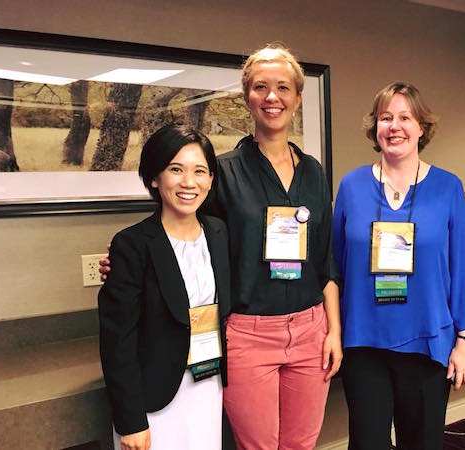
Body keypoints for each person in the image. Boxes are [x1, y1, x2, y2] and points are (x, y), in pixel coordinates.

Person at [101, 43, 342, 450]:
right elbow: (178, 227)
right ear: (247, 95)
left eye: (283, 88)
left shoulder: (314, 172)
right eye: (261, 87)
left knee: (303, 445)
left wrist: (334, 329)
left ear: (298, 97)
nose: (272, 97)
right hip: (247, 334)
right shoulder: (223, 172)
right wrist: (128, 264)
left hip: (310, 330)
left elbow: (325, 261)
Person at [332, 81, 465, 450]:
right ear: (375, 127)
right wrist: (332, 331)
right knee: (366, 443)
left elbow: (462, 269)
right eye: (386, 118)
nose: (394, 126)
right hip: (364, 343)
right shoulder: (351, 186)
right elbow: (334, 267)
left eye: (404, 117)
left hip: (428, 342)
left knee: (422, 443)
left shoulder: (448, 188)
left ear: (421, 128)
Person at [98, 125, 231, 450]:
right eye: (176, 169)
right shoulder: (132, 245)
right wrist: (131, 422)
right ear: (155, 177)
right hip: (154, 401)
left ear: (211, 180)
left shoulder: (218, 233)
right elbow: (118, 343)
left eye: (200, 171)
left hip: (206, 386)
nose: (189, 182)